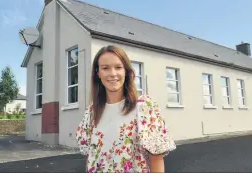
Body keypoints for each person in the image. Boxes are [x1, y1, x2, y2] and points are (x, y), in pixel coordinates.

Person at [75, 45, 176, 173]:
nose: (112, 73)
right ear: (98, 73)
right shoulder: (91, 112)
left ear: (126, 72)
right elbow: (91, 158)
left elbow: (156, 159)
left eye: (118, 67)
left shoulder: (144, 108)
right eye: (105, 68)